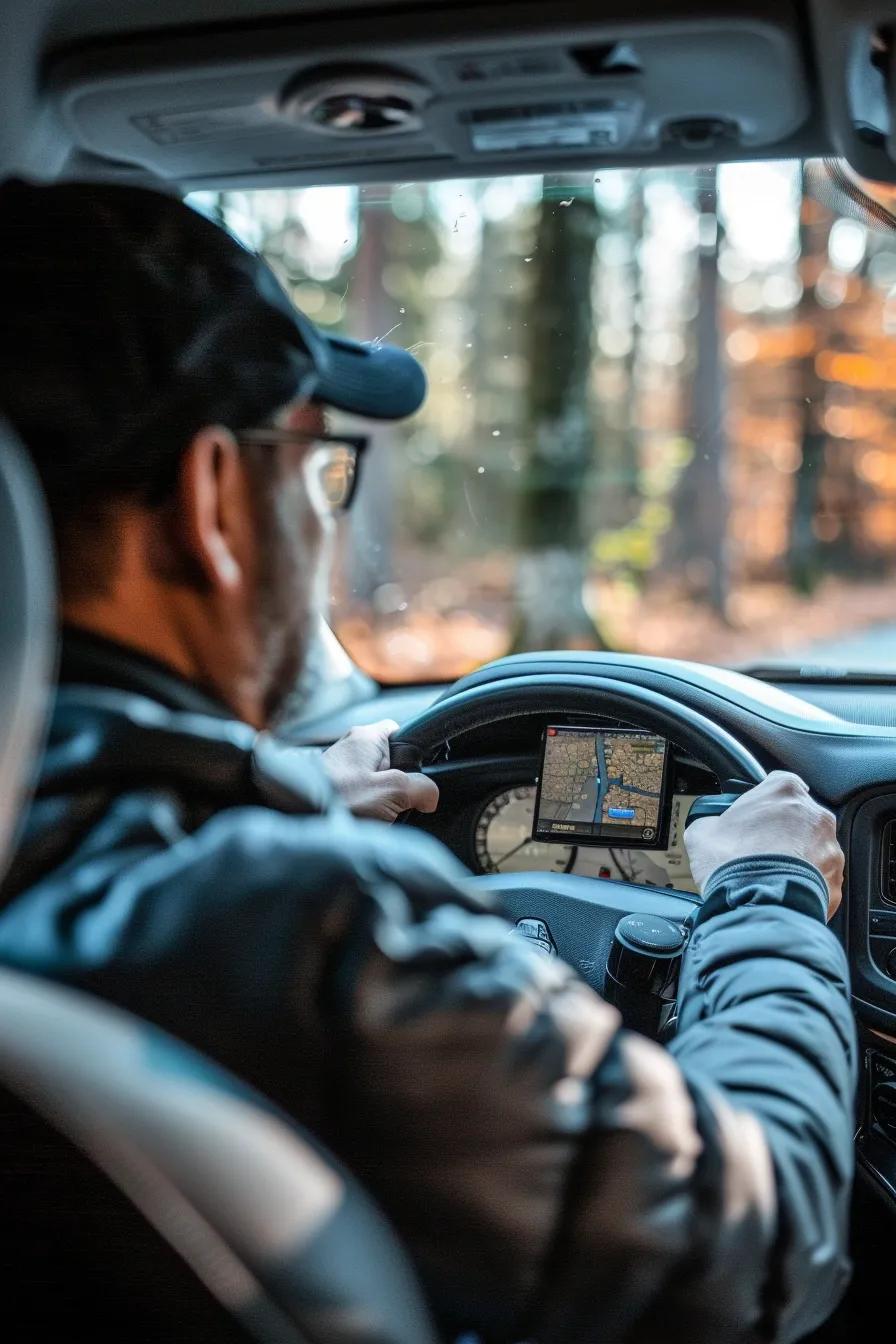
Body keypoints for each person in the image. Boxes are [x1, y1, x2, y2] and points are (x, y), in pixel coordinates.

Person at [0, 178, 855, 1344]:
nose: (322, 521)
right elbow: (755, 1245)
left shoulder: (132, 871)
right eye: (316, 469)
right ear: (210, 498)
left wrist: (287, 797)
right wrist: (769, 893)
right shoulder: (320, 934)